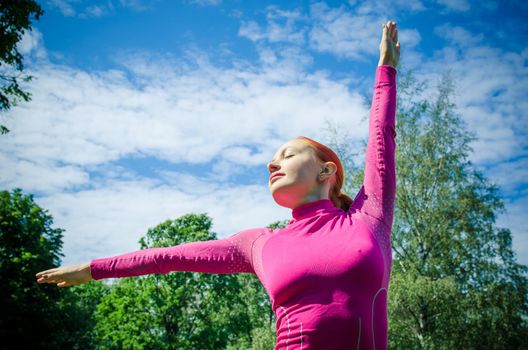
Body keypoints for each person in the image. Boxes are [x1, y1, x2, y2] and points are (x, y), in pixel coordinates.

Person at [36, 20, 400, 349]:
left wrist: (386, 69)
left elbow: (381, 136)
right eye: (274, 159)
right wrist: (93, 269)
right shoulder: (260, 244)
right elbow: (169, 257)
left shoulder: (368, 217)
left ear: (326, 171)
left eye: (288, 154)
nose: (273, 163)